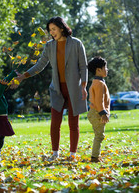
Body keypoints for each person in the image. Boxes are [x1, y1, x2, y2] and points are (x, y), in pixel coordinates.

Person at [11, 16, 88, 161]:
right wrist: (23, 76)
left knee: (73, 123)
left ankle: (72, 154)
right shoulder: (49, 46)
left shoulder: (76, 44)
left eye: (54, 29)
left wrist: (84, 86)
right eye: (50, 30)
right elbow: (40, 65)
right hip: (57, 89)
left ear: (61, 27)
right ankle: (55, 154)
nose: (52, 32)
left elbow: (83, 66)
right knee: (55, 123)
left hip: (74, 88)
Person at [87, 56, 110, 163]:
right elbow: (98, 101)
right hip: (97, 113)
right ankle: (95, 157)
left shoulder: (97, 82)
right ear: (98, 70)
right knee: (99, 135)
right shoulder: (99, 84)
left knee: (99, 135)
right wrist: (103, 113)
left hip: (95, 112)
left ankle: (96, 156)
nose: (107, 69)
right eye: (105, 67)